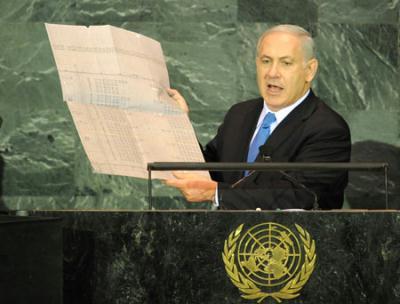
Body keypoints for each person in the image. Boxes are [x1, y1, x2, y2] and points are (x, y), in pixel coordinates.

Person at [165, 24, 351, 210]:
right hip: (227, 235)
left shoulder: (327, 128)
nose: (272, 73)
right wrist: (179, 123)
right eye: (266, 61)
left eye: (286, 63)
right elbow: (210, 171)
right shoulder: (239, 114)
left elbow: (301, 196)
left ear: (309, 70)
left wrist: (216, 193)